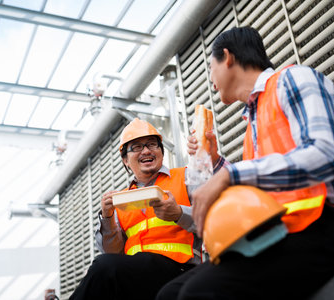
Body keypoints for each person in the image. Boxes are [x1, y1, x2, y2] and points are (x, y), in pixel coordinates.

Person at [156, 26, 334, 300]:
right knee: (169, 294)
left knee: (199, 292)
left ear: (228, 57)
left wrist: (229, 177)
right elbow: (257, 188)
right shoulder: (251, 127)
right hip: (283, 232)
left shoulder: (293, 79)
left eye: (210, 67)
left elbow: (328, 154)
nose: (210, 79)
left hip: (333, 224)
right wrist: (214, 161)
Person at [69, 118, 226, 300]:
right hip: (138, 277)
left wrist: (179, 214)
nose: (146, 150)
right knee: (105, 270)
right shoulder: (120, 201)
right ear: (125, 160)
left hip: (180, 269)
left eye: (152, 144)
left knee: (104, 266)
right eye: (136, 147)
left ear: (161, 152)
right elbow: (113, 254)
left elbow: (215, 220)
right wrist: (107, 217)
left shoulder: (185, 177)